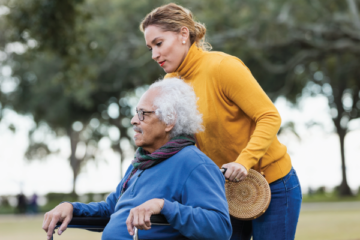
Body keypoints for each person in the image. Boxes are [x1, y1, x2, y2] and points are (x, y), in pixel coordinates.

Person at [140, 3, 302, 240]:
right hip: (223, 191)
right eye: (150, 48)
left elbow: (269, 116)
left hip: (274, 185)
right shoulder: (169, 84)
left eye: (159, 43)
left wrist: (243, 162)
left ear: (183, 34)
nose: (154, 55)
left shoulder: (223, 67)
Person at [42, 78, 232, 240]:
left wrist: (163, 206)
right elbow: (112, 211)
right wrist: (71, 209)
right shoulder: (142, 163)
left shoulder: (195, 164)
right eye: (135, 112)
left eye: (143, 113)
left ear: (169, 120)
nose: (133, 120)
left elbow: (220, 227)